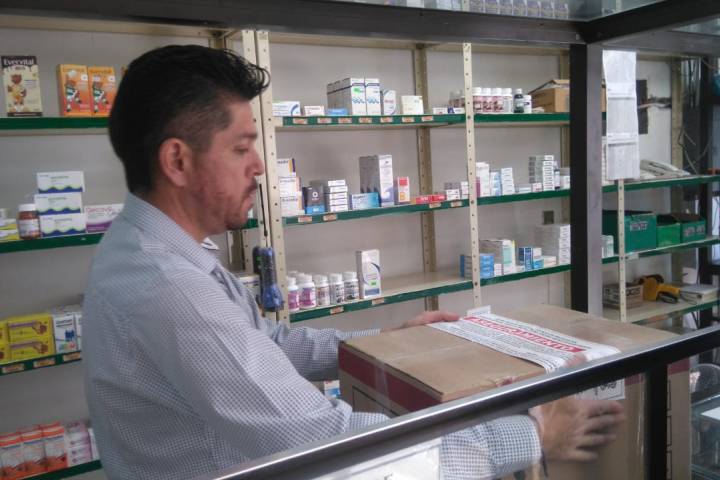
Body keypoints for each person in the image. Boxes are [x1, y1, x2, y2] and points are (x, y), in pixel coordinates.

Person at [83, 45, 624, 480]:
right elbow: (333, 451)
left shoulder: (153, 250)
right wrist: (533, 434)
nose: (260, 168)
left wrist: (379, 341)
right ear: (177, 160)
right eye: (241, 148)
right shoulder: (168, 286)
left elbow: (265, 343)